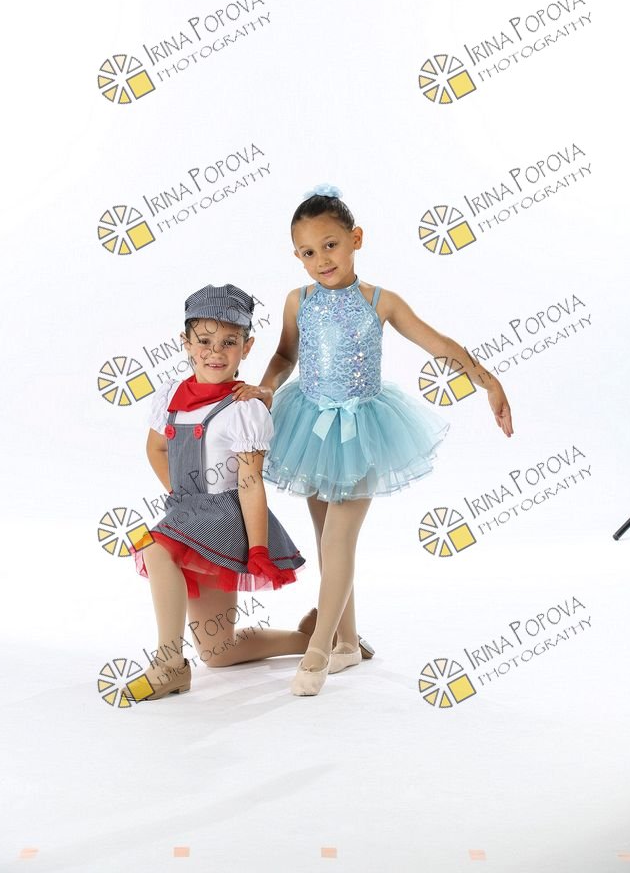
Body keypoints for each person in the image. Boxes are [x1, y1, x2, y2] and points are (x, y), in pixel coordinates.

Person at [232, 185, 513, 696]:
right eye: (308, 252)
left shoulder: (380, 302)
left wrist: (487, 380)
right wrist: (267, 388)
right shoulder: (298, 301)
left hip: (361, 431)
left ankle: (318, 651)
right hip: (309, 425)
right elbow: (285, 356)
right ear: (296, 257)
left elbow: (438, 343)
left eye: (331, 245)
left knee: (339, 539)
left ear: (355, 239)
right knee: (325, 539)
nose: (321, 260)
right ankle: (347, 642)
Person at [128, 283, 311, 703]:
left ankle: (171, 664)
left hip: (227, 520)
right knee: (218, 651)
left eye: (229, 342)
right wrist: (182, 496)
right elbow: (156, 448)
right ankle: (310, 637)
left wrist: (259, 548)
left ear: (247, 347)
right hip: (191, 515)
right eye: (205, 341)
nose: (215, 352)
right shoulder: (171, 396)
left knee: (155, 547)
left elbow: (250, 482)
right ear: (186, 343)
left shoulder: (244, 408)